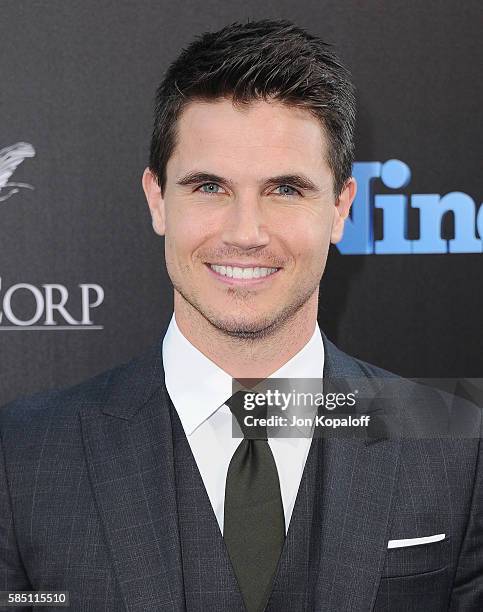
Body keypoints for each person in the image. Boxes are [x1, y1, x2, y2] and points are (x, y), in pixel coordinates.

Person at [0, 18, 481, 612]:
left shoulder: (458, 447)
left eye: (285, 190)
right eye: (209, 187)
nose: (246, 234)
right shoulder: (21, 454)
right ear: (157, 199)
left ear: (340, 209)